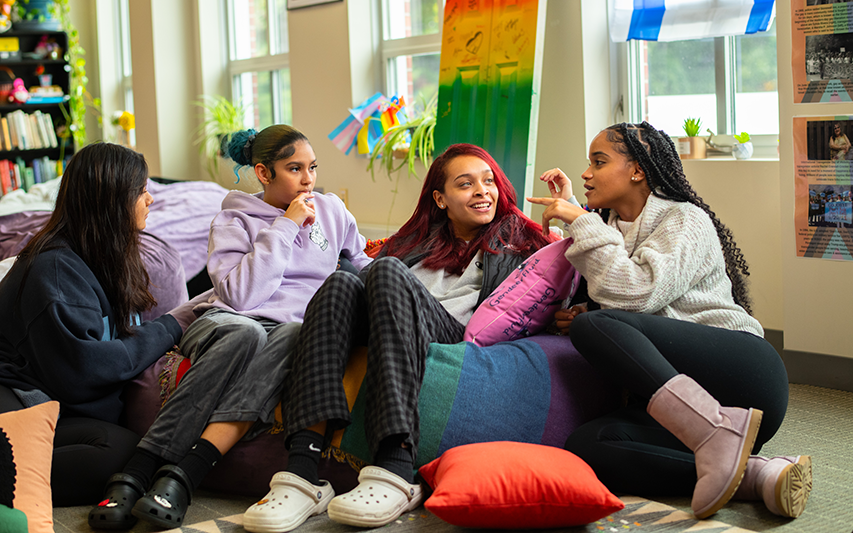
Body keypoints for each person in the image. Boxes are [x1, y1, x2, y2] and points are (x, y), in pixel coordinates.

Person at [241, 143, 558, 533]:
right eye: (466, 184)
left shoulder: (520, 240)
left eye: (488, 181)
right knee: (340, 282)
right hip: (390, 319)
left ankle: (395, 464)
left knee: (387, 271)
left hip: (448, 328)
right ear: (440, 199)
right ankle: (303, 472)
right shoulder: (415, 242)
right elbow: (362, 280)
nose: (482, 191)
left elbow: (555, 287)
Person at [88, 125, 371, 530]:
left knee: (295, 335)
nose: (308, 179)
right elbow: (240, 296)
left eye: (312, 167)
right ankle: (138, 470)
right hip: (226, 322)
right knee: (247, 332)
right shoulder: (233, 219)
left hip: (284, 331)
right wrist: (286, 226)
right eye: (294, 169)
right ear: (263, 172)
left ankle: (181, 474)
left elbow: (362, 264)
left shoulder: (332, 212)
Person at [528, 122, 810, 520]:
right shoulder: (608, 227)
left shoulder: (684, 218)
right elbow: (626, 296)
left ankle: (714, 432)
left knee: (594, 327)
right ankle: (754, 474)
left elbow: (638, 293)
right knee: (587, 446)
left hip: (744, 377)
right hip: (687, 411)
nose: (586, 173)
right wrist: (586, 306)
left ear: (638, 169)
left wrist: (581, 222)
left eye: (599, 161)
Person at [0, 143, 183, 506]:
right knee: (121, 454)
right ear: (110, 200)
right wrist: (171, 326)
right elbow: (84, 372)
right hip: (17, 402)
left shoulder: (98, 256)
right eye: (141, 191)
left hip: (50, 400)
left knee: (131, 450)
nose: (150, 200)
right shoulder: (53, 269)